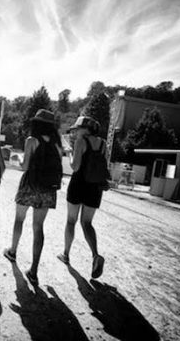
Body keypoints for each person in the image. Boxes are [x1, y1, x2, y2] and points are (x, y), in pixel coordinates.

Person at [3, 109, 63, 285]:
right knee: (38, 227)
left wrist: (18, 159)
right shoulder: (58, 144)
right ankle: (34, 270)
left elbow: (25, 167)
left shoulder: (32, 140)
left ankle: (13, 251)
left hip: (30, 185)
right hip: (48, 189)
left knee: (19, 220)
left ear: (37, 123)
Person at [57, 116, 106, 279]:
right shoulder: (103, 143)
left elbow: (74, 166)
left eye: (77, 129)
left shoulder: (80, 142)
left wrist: (70, 153)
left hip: (78, 185)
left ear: (86, 129)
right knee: (87, 223)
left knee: (71, 221)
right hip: (95, 188)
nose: (75, 132)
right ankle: (95, 256)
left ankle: (66, 254)